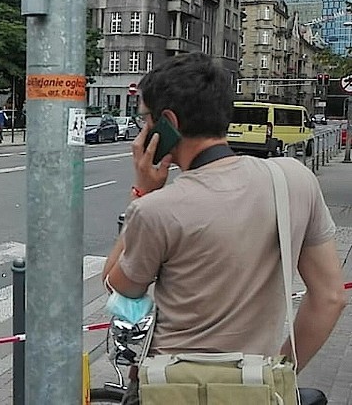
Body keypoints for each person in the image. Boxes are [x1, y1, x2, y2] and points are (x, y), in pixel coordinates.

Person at [101, 53, 345, 403]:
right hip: (257, 387)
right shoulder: (294, 180)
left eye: (145, 120)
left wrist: (143, 192)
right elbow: (330, 297)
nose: (141, 133)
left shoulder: (156, 208)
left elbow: (117, 287)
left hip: (173, 389)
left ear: (167, 123)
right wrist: (278, 375)